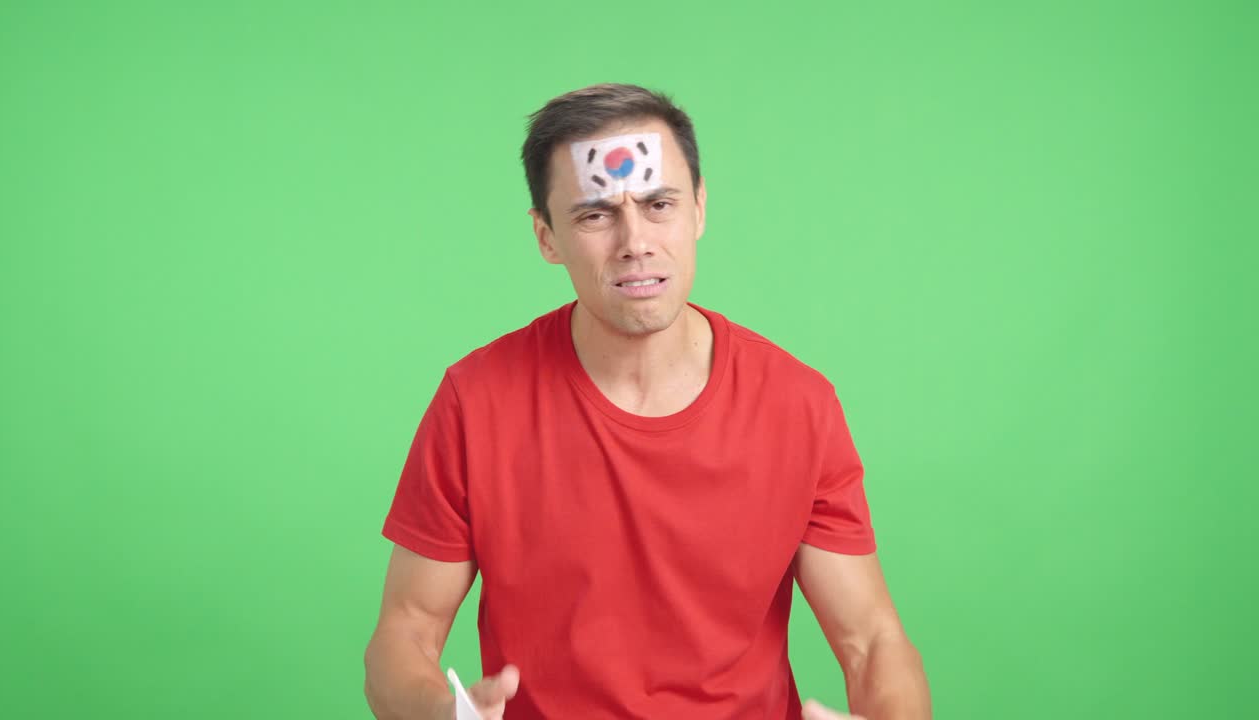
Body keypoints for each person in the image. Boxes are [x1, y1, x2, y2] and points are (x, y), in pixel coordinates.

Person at [363, 83, 931, 720]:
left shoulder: (799, 405)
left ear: (699, 209)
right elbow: (405, 632)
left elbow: (872, 640)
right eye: (595, 214)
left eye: (659, 203)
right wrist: (441, 713)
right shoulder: (476, 402)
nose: (635, 240)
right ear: (546, 237)